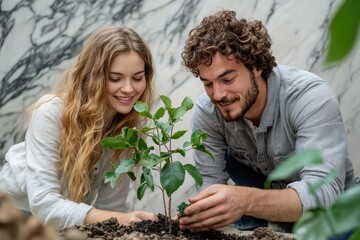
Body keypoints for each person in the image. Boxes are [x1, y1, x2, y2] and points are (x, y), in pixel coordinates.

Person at [178, 10, 357, 234]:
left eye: (227, 79)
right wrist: (197, 216)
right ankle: (260, 224)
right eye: (208, 83)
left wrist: (246, 200)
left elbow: (323, 193)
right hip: (269, 207)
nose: (218, 94)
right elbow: (209, 183)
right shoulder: (209, 111)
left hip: (336, 216)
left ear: (256, 66)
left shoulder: (309, 97)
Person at [0, 26, 157, 230]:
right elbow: (44, 205)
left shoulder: (129, 131)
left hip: (59, 229)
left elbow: (110, 208)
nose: (128, 89)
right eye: (115, 78)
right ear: (93, 76)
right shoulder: (52, 112)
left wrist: (127, 221)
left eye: (137, 78)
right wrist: (120, 218)